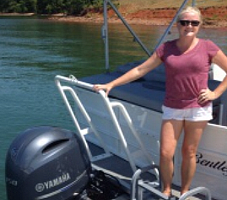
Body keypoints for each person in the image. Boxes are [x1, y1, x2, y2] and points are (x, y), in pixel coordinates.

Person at [93, 6, 227, 198]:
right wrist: (111, 84)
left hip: (198, 109)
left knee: (189, 152)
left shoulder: (208, 47)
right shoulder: (167, 48)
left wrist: (215, 93)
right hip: (173, 107)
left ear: (199, 25)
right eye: (184, 22)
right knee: (165, 152)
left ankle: (184, 192)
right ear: (177, 24)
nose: (189, 26)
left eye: (194, 23)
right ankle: (165, 190)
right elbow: (140, 70)